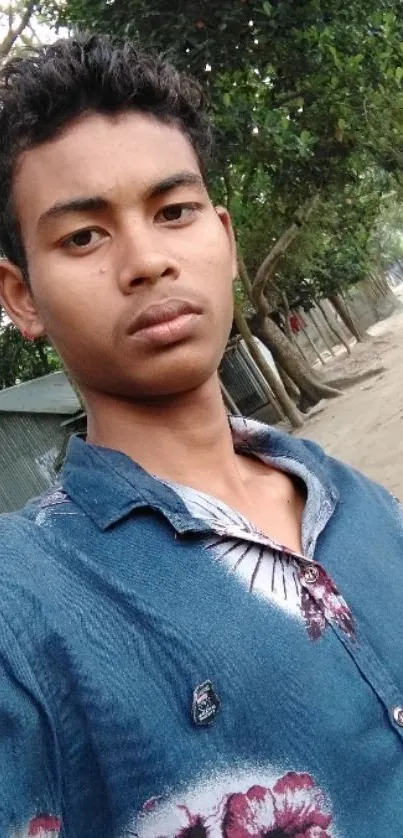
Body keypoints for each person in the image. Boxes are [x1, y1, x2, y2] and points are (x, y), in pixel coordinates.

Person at [0, 34, 402, 838]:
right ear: (23, 299)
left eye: (173, 212)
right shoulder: (24, 608)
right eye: (83, 236)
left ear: (224, 237)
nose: (147, 260)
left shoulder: (355, 500)